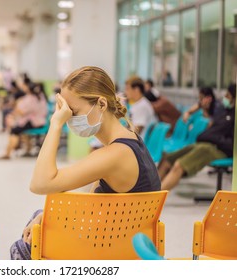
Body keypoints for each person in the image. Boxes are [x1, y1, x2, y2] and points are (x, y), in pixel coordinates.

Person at [10, 66, 161, 260]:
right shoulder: (131, 142)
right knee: (40, 215)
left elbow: (40, 184)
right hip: (124, 245)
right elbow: (91, 207)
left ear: (101, 104)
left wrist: (55, 124)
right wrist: (48, 216)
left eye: (73, 111)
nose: (69, 119)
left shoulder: (114, 155)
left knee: (23, 247)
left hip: (107, 251)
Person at [158, 83, 235, 191]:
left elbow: (230, 144)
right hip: (205, 143)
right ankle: (150, 192)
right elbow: (202, 109)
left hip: (218, 149)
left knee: (179, 165)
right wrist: (192, 111)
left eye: (228, 96)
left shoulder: (232, 117)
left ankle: (154, 200)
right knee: (167, 159)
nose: (224, 98)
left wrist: (213, 138)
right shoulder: (224, 112)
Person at [0, 81, 47, 160]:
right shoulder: (41, 96)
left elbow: (22, 112)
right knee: (18, 128)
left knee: (14, 130)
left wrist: (16, 108)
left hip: (35, 122)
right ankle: (25, 149)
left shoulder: (31, 99)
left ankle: (7, 153)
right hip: (41, 121)